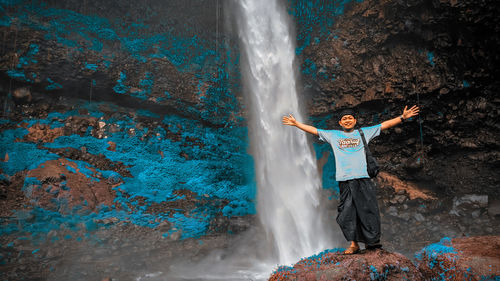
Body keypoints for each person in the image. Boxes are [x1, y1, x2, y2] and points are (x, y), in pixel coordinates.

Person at [282, 105, 420, 254]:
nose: (347, 120)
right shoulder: (333, 135)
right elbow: (314, 130)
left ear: (355, 120)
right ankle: (354, 244)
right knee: (347, 213)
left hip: (363, 179)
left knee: (368, 210)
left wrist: (402, 117)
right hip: (345, 180)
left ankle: (371, 243)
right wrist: (296, 124)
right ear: (340, 123)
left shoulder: (364, 133)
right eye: (344, 119)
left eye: (349, 118)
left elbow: (384, 125)